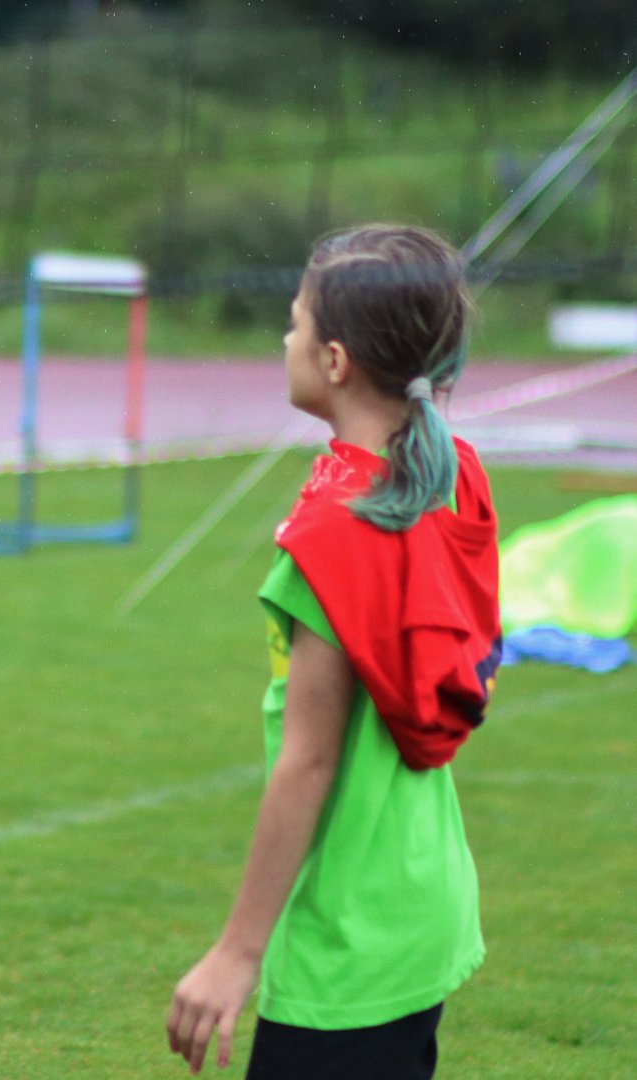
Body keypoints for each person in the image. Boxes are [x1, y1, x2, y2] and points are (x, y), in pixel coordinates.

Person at [166, 225, 502, 1078]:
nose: (285, 341)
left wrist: (236, 953)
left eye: (295, 323)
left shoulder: (337, 535)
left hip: (350, 938)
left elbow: (309, 762)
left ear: (336, 361)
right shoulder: (447, 476)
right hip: (424, 902)